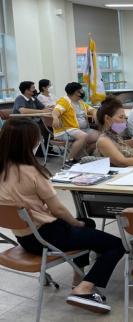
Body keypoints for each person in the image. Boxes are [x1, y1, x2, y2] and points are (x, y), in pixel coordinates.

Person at [0, 118, 124, 314]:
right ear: (28, 143)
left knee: (87, 222)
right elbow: (58, 210)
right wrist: (74, 223)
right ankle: (84, 289)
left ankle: (78, 277)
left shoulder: (3, 170)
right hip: (49, 236)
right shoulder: (32, 172)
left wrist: (78, 224)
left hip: (25, 238)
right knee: (117, 245)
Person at [94, 96, 133, 167]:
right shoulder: (103, 141)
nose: (124, 121)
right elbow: (123, 162)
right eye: (121, 117)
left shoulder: (115, 136)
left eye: (125, 118)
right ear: (107, 119)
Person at [51, 82, 99, 166]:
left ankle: (83, 156)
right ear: (77, 92)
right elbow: (56, 111)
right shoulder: (64, 101)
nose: (83, 92)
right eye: (81, 90)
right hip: (66, 130)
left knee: (102, 136)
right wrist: (55, 118)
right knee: (83, 136)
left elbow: (92, 109)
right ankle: (69, 160)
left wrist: (94, 114)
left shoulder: (80, 102)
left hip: (82, 130)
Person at [12, 81, 53, 154]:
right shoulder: (20, 98)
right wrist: (41, 111)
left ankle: (47, 149)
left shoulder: (33, 98)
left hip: (34, 121)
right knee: (44, 127)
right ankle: (40, 150)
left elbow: (43, 108)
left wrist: (50, 109)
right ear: (26, 90)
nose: (35, 89)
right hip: (21, 122)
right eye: (33, 88)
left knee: (51, 125)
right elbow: (23, 111)